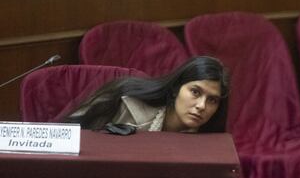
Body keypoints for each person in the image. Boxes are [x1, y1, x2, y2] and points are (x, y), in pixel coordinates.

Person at [64, 56, 229, 135]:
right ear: (176, 88)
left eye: (212, 100)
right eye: (195, 92)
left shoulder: (210, 138)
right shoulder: (125, 101)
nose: (201, 106)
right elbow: (69, 137)